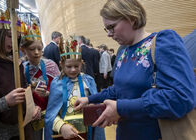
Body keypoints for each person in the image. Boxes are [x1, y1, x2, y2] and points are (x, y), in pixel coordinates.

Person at [74, 0, 196, 140]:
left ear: (131, 18)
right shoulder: (124, 51)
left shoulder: (163, 42)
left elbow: (181, 97)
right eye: (106, 29)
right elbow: (118, 89)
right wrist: (89, 99)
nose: (108, 34)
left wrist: (121, 108)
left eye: (111, 27)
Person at [45, 37, 105, 140]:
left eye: (76, 66)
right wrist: (61, 126)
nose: (73, 70)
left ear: (81, 63)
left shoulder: (88, 81)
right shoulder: (57, 83)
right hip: (64, 133)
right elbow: (50, 115)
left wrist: (92, 106)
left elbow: (97, 104)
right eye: (68, 66)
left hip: (87, 132)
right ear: (61, 65)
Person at [0, 29, 41, 140]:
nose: (14, 41)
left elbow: (24, 90)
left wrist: (33, 108)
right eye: (10, 36)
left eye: (17, 36)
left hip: (22, 128)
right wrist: (5, 101)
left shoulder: (15, 63)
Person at [20, 34, 60, 139]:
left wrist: (48, 93)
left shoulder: (51, 65)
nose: (37, 52)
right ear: (23, 50)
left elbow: (62, 90)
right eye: (32, 49)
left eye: (39, 48)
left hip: (53, 113)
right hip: (33, 116)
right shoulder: (22, 69)